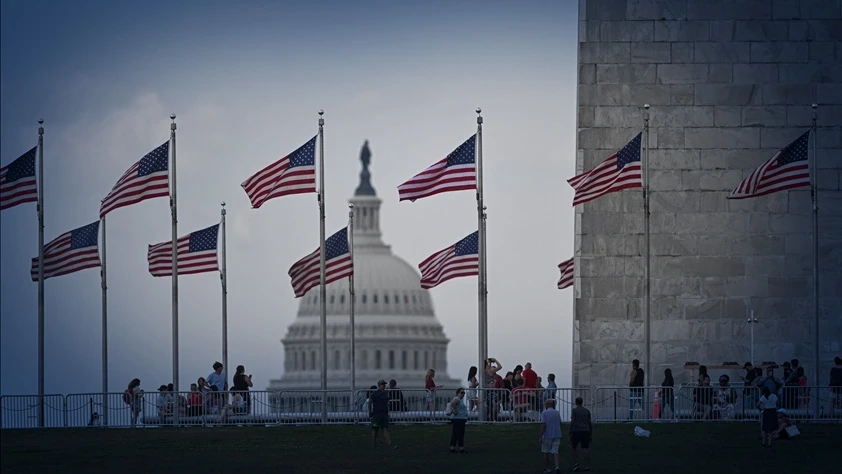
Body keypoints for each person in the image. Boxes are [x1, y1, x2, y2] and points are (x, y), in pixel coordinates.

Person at [369, 379, 397, 449]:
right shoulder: (375, 394)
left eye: (384, 384)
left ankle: (389, 444)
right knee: (375, 429)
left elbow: (386, 402)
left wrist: (388, 405)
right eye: (382, 384)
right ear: (379, 386)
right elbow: (370, 402)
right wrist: (370, 411)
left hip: (384, 414)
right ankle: (373, 444)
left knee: (386, 429)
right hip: (377, 414)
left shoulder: (385, 393)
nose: (384, 386)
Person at [539, 398, 562, 473]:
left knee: (545, 451)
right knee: (556, 451)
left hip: (547, 435)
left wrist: (540, 435)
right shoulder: (557, 412)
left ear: (547, 405)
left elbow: (544, 425)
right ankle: (557, 466)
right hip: (557, 434)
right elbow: (559, 422)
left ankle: (546, 467)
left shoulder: (544, 413)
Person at [570, 396, 592, 472]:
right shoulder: (587, 411)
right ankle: (587, 465)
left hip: (576, 431)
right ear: (582, 402)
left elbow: (573, 421)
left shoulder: (574, 411)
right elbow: (589, 422)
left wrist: (570, 430)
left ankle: (576, 464)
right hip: (585, 431)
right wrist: (590, 432)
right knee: (586, 448)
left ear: (576, 402)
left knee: (574, 448)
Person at [448, 388, 468, 454]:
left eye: (464, 393)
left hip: (459, 419)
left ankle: (452, 448)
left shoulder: (460, 400)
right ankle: (461, 448)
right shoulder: (457, 398)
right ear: (458, 393)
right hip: (458, 419)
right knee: (460, 434)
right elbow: (453, 403)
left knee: (455, 434)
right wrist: (455, 411)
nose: (463, 394)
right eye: (461, 392)